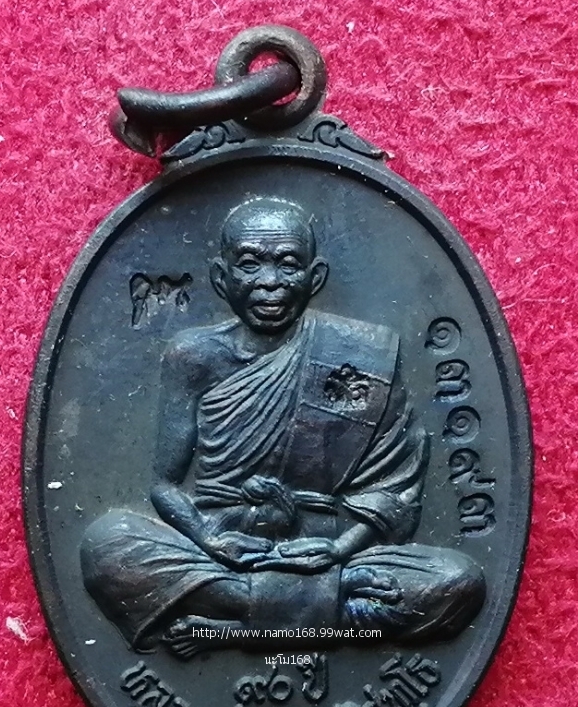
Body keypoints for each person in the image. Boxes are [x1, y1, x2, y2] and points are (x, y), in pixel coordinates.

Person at [81, 197, 485, 658]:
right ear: (222, 278)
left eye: (288, 264)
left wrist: (339, 550)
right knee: (107, 544)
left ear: (315, 278)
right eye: (250, 264)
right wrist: (209, 538)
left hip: (324, 548)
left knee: (457, 581)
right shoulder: (193, 357)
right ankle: (324, 609)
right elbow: (165, 486)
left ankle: (237, 621)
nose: (269, 282)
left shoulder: (358, 354)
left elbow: (395, 488)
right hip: (225, 550)